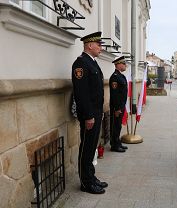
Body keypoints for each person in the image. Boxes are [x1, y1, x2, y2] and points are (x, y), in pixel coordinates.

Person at [72, 31, 108, 194]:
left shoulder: (92, 62)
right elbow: (82, 94)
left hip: (96, 112)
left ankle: (91, 177)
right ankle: (85, 183)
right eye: (99, 45)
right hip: (89, 115)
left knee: (92, 147)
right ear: (90, 45)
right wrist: (88, 116)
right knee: (86, 148)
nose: (101, 47)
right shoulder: (80, 64)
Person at [109, 56, 128, 152]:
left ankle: (118, 142)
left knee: (118, 125)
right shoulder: (115, 77)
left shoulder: (121, 76)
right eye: (124, 64)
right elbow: (115, 94)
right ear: (118, 64)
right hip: (117, 107)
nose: (125, 65)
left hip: (121, 105)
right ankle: (114, 145)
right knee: (115, 126)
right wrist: (117, 108)